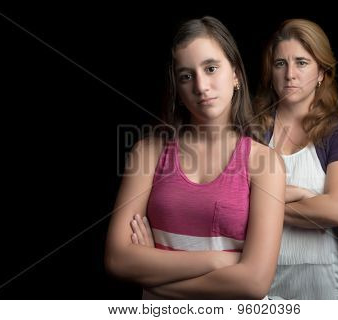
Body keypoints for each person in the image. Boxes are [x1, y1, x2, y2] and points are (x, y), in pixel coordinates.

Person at [104, 16, 285, 299]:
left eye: (211, 68)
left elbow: (253, 283)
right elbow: (118, 259)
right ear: (177, 87)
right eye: (186, 76)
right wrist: (216, 260)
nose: (201, 86)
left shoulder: (265, 163)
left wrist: (156, 278)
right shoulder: (149, 153)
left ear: (236, 74)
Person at [253, 18, 338, 299]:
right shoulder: (251, 131)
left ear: (322, 72)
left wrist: (262, 202)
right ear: (271, 73)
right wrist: (302, 198)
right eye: (280, 64)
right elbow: (225, 201)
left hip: (328, 288)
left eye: (301, 62)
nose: (290, 74)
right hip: (264, 286)